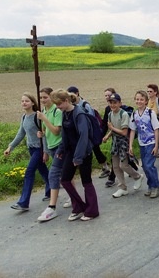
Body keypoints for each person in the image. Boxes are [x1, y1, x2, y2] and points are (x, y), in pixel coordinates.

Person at [50, 89, 99, 221]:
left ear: (66, 101)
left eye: (59, 104)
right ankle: (78, 207)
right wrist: (61, 150)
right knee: (65, 180)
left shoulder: (79, 114)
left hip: (84, 152)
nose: (58, 107)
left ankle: (92, 211)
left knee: (86, 181)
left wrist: (78, 157)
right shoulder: (64, 113)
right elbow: (64, 135)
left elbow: (84, 136)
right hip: (70, 152)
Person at [4, 93, 50, 212]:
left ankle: (23, 202)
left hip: (39, 149)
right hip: (31, 148)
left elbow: (43, 135)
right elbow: (20, 134)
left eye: (27, 101)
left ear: (33, 103)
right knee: (43, 170)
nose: (24, 103)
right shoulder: (24, 117)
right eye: (22, 101)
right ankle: (50, 190)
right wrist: (10, 147)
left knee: (29, 172)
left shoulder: (37, 116)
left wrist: (45, 151)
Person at [103, 93, 144, 198]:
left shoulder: (124, 114)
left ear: (120, 103)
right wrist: (108, 136)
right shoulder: (110, 114)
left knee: (123, 165)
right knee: (116, 166)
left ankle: (138, 176)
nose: (112, 105)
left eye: (115, 103)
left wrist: (111, 128)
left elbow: (124, 132)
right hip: (115, 142)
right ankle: (122, 188)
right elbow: (113, 128)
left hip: (123, 143)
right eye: (111, 103)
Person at [67, 86, 110, 178]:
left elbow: (91, 119)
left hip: (89, 133)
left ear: (77, 93)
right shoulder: (72, 105)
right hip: (79, 133)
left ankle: (105, 167)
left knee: (95, 150)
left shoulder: (85, 105)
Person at [36, 87, 65, 222]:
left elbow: (56, 132)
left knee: (53, 174)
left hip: (60, 146)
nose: (42, 100)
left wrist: (44, 119)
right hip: (52, 147)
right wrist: (41, 134)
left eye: (45, 97)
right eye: (41, 98)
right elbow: (46, 133)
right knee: (65, 173)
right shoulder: (43, 111)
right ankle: (73, 196)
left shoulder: (57, 111)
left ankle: (51, 207)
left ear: (51, 98)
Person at [129, 91, 159, 198]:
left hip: (151, 142)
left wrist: (156, 146)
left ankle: (156, 186)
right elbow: (133, 130)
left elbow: (156, 129)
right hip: (141, 143)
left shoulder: (150, 113)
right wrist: (130, 146)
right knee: (144, 166)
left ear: (146, 101)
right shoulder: (134, 114)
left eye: (141, 99)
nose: (139, 101)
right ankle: (150, 185)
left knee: (149, 165)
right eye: (137, 99)